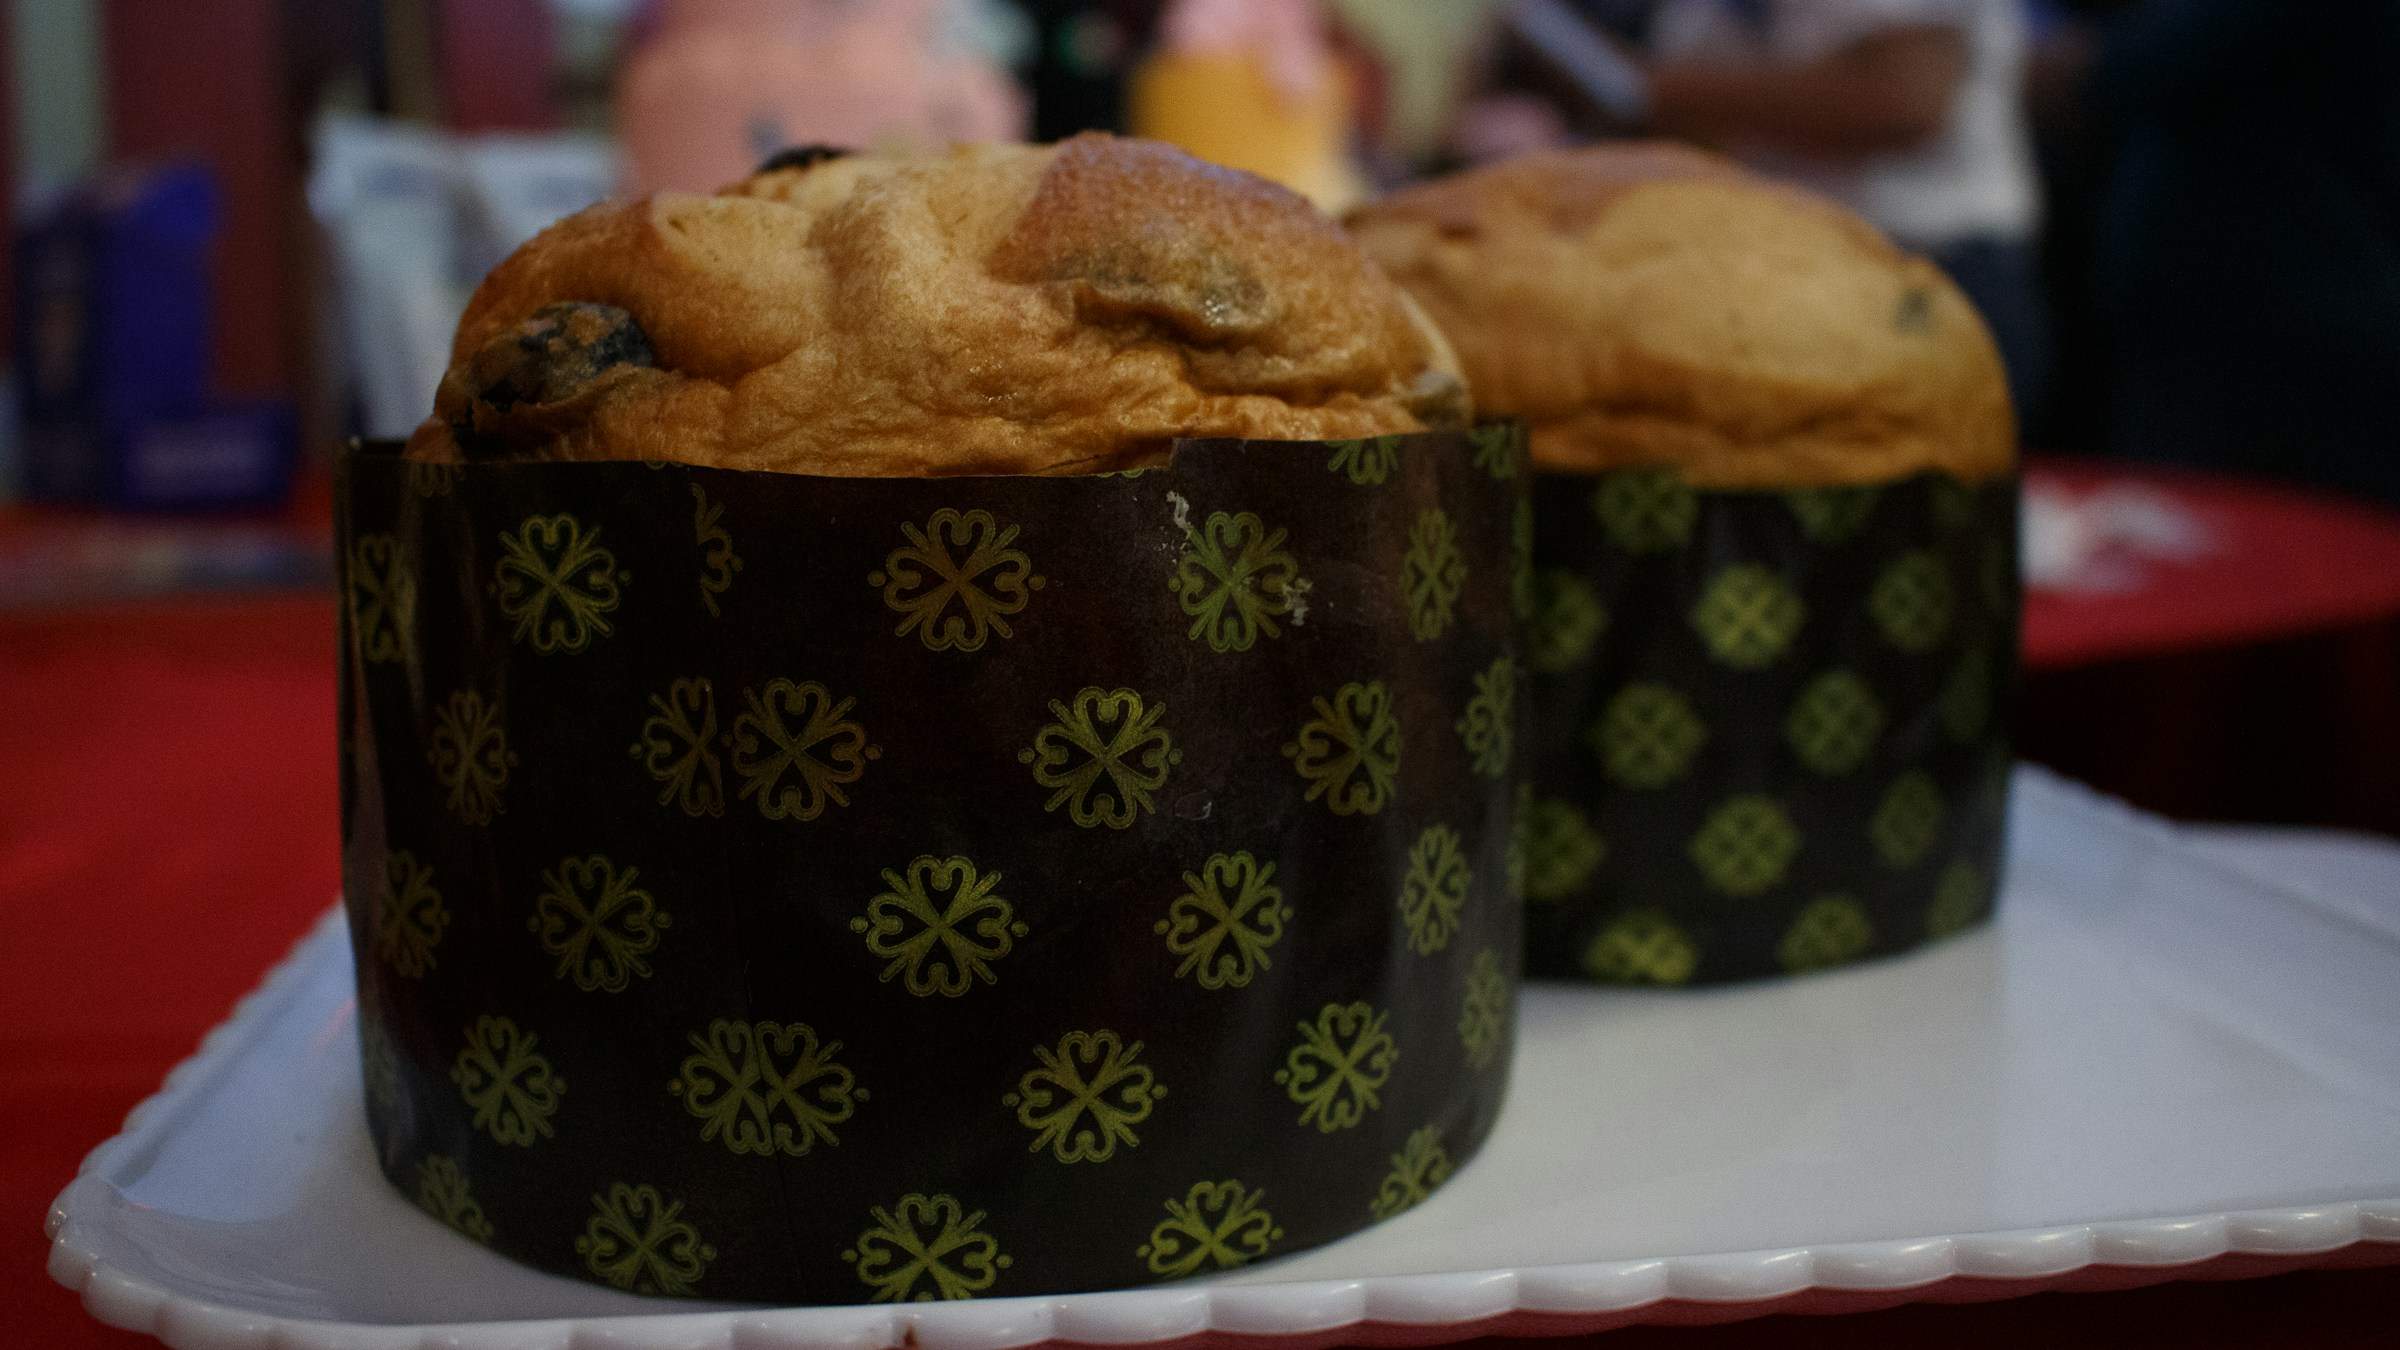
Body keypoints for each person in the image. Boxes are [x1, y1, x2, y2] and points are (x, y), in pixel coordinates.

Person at [1494, 0, 2052, 428]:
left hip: (1924, 274)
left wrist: (1643, 87)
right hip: (1777, 283)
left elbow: (1903, 96)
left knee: (1912, 540)